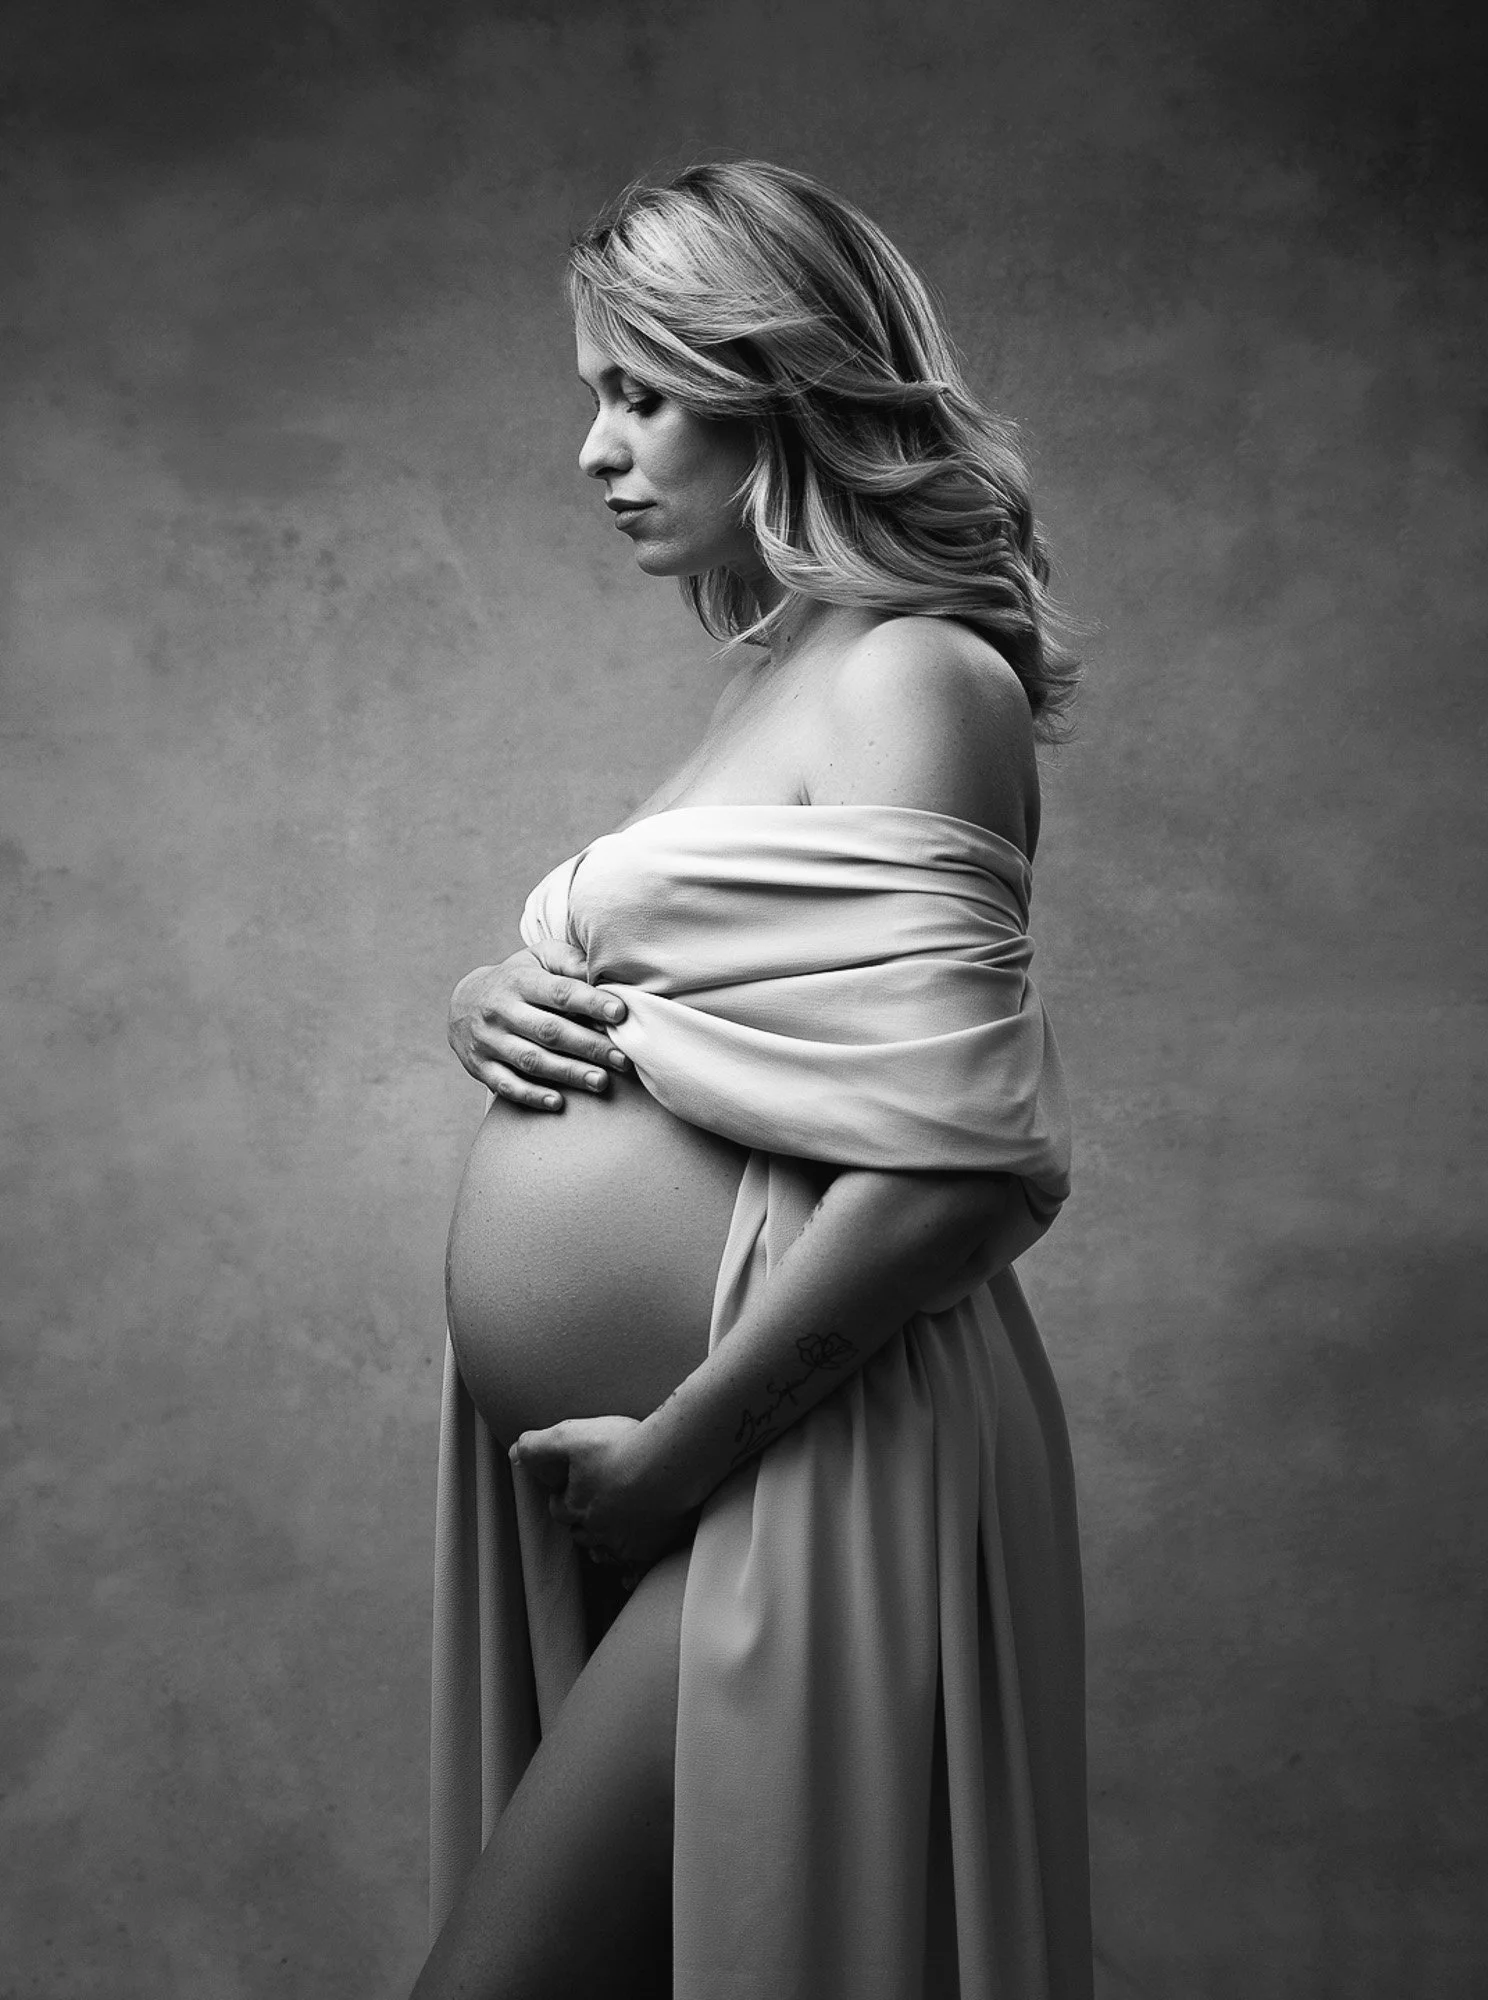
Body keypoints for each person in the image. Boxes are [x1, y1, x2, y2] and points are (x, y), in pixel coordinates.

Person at [411, 160, 1091, 2000]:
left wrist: (680, 1456)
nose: (594, 455)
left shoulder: (920, 671)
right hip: (707, 1465)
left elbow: (958, 1169)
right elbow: (721, 1006)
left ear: (782, 389)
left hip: (793, 1455)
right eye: (593, 398)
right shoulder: (780, 678)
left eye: (641, 396)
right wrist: (506, 990)